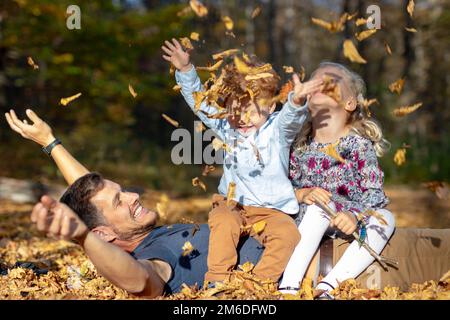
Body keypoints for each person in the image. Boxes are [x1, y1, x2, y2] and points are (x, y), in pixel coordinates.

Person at [4, 109, 264, 297]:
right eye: (120, 201)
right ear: (102, 234)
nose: (133, 196)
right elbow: (141, 282)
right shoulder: (155, 255)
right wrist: (83, 237)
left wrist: (50, 143)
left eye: (124, 191)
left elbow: (93, 199)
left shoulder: (138, 231)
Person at [161, 38, 324, 285]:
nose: (242, 119)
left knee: (288, 234)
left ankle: (258, 284)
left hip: (272, 211)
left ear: (270, 106)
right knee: (223, 221)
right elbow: (201, 105)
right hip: (233, 204)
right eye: (235, 111)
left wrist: (297, 102)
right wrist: (185, 71)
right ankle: (217, 281)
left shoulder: (277, 130)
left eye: (251, 111)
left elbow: (291, 119)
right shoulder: (228, 128)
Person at [279, 62, 396, 298]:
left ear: (350, 102)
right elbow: (279, 188)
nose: (320, 83)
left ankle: (329, 287)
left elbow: (373, 194)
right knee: (321, 205)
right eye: (315, 80)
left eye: (331, 80)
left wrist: (356, 216)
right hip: (307, 217)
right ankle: (288, 287)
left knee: (386, 217)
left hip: (347, 219)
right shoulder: (299, 146)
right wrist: (300, 194)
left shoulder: (359, 145)